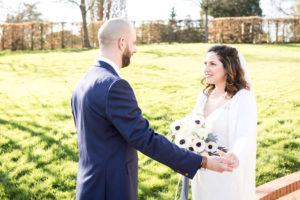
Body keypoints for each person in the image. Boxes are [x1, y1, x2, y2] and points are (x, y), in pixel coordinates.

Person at [71, 19, 234, 200]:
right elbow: (145, 139)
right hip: (111, 189)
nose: (135, 50)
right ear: (122, 43)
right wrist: (203, 161)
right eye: (133, 43)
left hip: (89, 186)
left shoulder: (83, 82)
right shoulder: (115, 86)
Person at [191, 45, 257, 200]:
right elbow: (193, 127)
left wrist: (236, 154)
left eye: (212, 64)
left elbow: (245, 135)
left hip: (226, 171)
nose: (206, 69)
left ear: (227, 67)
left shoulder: (241, 97)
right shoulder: (204, 95)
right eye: (205, 63)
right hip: (203, 170)